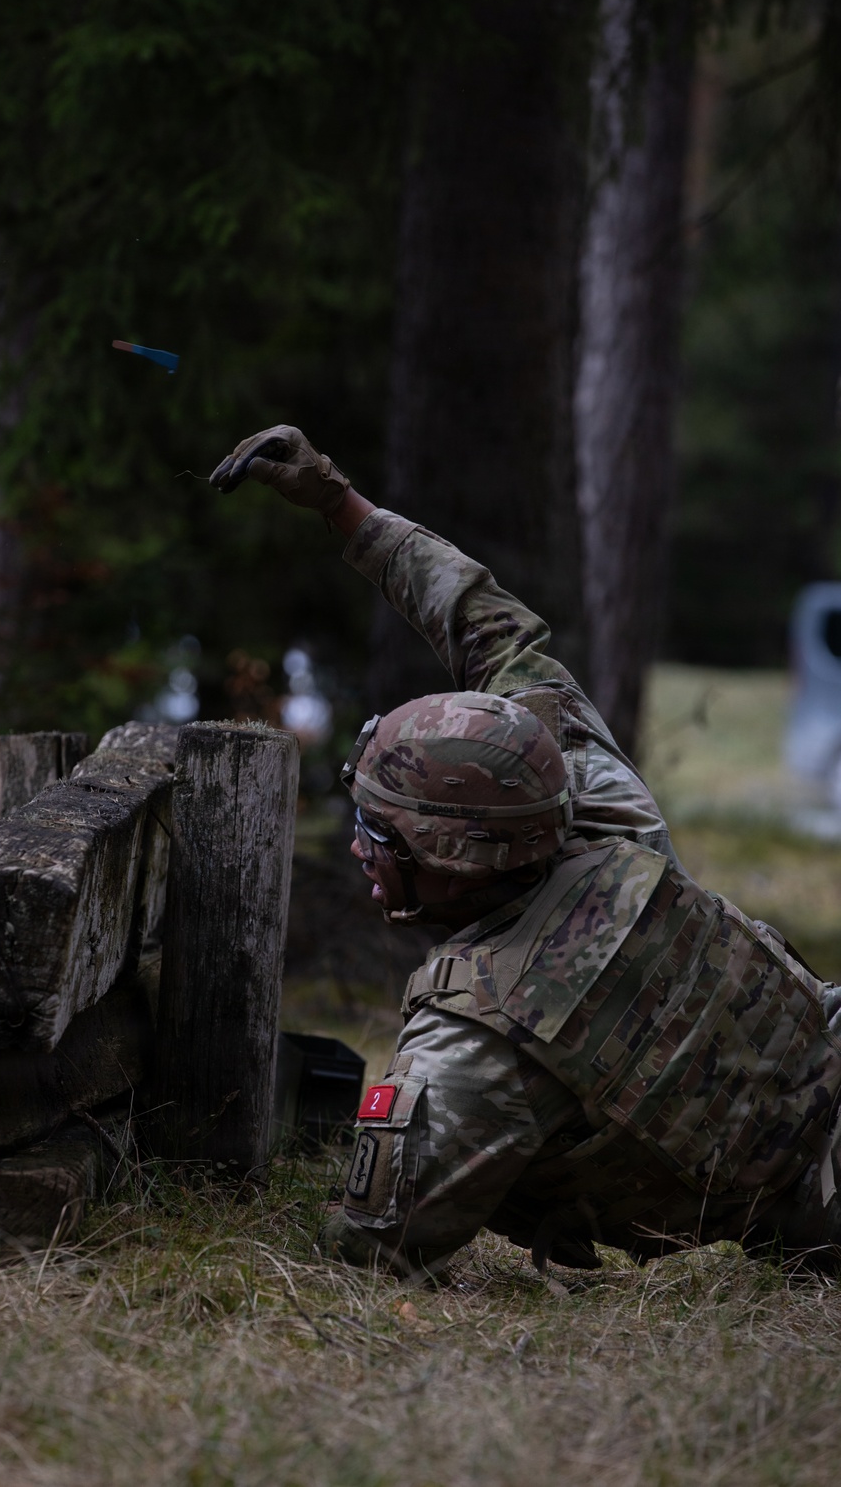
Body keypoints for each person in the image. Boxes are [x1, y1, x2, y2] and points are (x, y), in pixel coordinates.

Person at [211, 426, 841, 1278]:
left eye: (378, 833)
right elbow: (485, 625)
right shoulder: (600, 810)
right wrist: (337, 501)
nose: (360, 848)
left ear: (443, 856)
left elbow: (375, 1242)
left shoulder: (482, 1043)